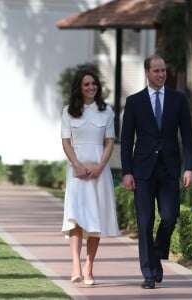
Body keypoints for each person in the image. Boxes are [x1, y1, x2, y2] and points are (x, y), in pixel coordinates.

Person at [120, 54, 192, 289]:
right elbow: (125, 140)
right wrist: (127, 172)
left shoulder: (178, 99)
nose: (161, 74)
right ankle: (149, 273)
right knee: (144, 222)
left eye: (163, 70)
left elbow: (189, 136)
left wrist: (190, 167)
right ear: (147, 72)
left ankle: (156, 251)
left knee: (170, 217)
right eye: (156, 71)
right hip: (142, 171)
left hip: (169, 169)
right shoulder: (134, 102)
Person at [61, 69, 119, 285]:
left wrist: (100, 167)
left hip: (99, 174)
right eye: (86, 84)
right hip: (76, 173)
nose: (91, 87)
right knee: (76, 217)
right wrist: (77, 165)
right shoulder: (68, 111)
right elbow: (66, 141)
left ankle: (89, 268)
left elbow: (109, 142)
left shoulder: (107, 111)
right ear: (79, 87)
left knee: (95, 220)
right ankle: (75, 265)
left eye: (93, 84)